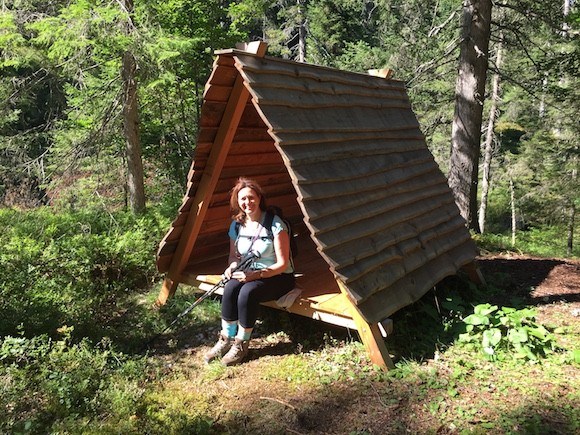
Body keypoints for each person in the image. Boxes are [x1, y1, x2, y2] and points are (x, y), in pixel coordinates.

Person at [204, 177, 295, 366]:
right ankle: (225, 338)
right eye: (243, 199)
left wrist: (257, 275)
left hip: (278, 276)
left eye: (251, 198)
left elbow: (283, 263)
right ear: (237, 201)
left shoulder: (275, 224)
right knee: (230, 288)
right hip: (248, 272)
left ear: (259, 198)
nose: (248, 203)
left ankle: (241, 343)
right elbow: (234, 257)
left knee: (247, 292)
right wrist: (231, 268)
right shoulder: (237, 225)